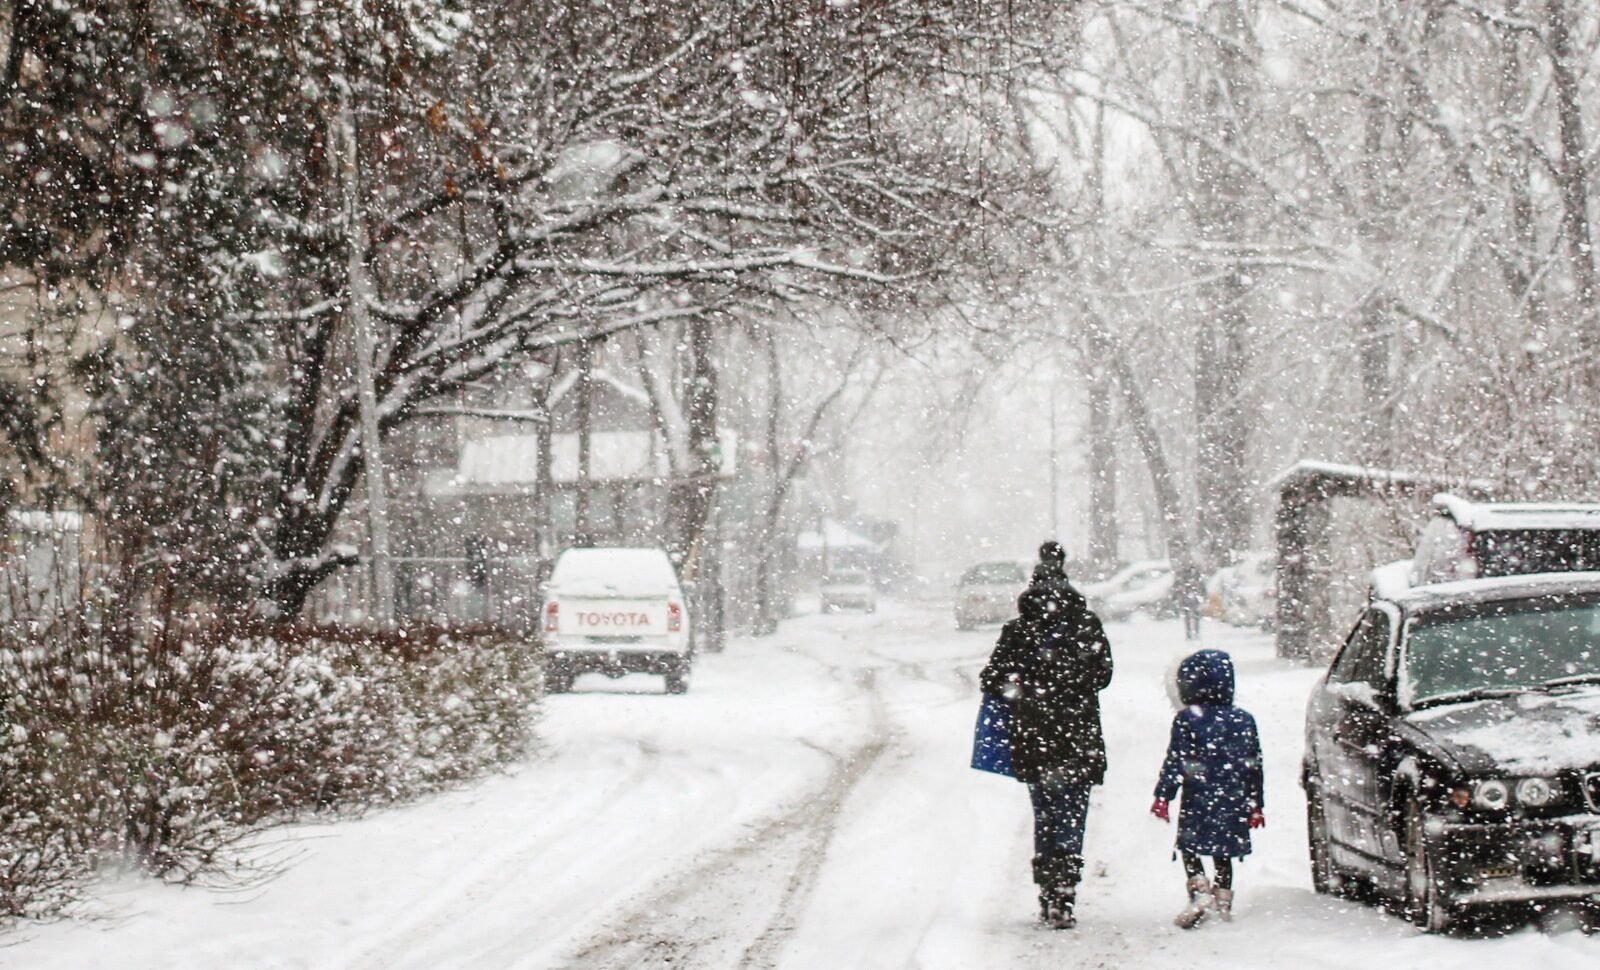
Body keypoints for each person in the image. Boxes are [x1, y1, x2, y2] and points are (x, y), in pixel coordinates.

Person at [980, 585, 1114, 930]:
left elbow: (991, 678)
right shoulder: (1086, 626)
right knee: (1071, 814)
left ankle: (1048, 890)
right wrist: (1072, 685)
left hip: (1034, 736)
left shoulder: (1019, 629)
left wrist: (1023, 688)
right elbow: (1104, 675)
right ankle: (1065, 893)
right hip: (1078, 736)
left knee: (1045, 814)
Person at [1149, 649, 1264, 929]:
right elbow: (1253, 765)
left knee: (1190, 846)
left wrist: (1163, 795)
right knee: (1224, 852)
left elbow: (1176, 761)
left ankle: (1199, 888)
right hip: (1233, 798)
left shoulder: (1188, 719)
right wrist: (1255, 803)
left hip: (1198, 796)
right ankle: (1223, 901)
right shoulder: (1244, 719)